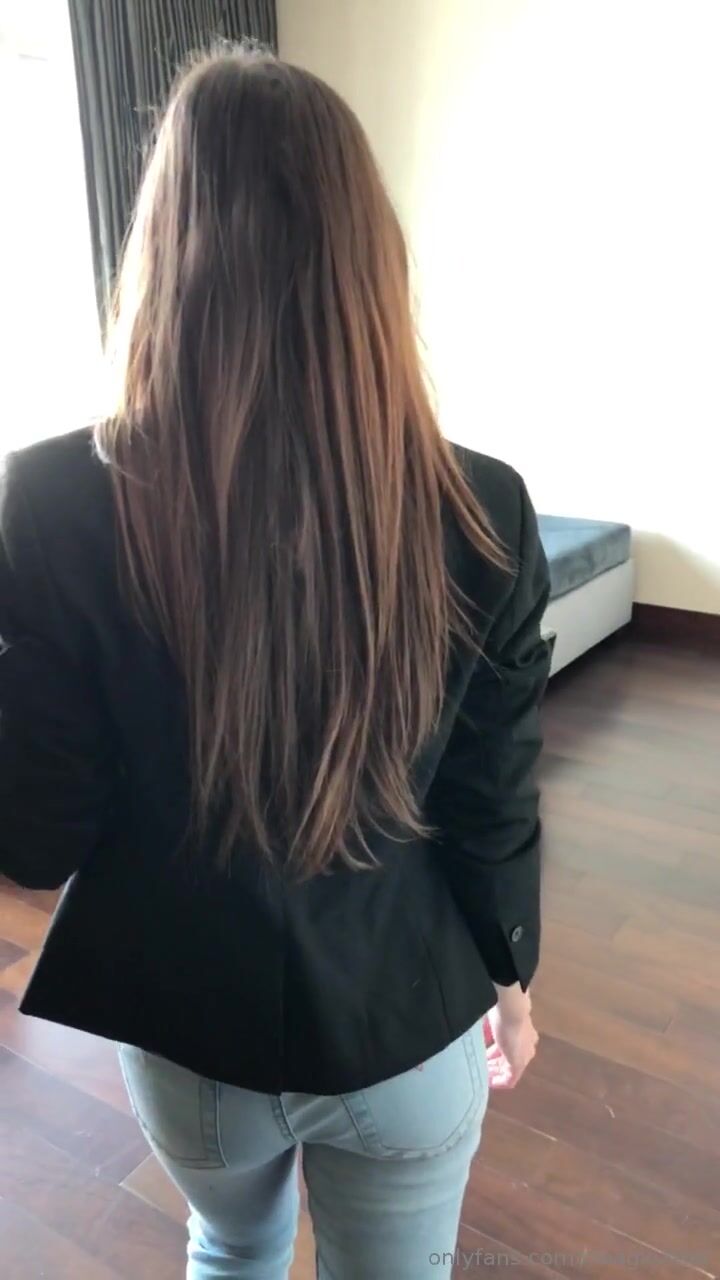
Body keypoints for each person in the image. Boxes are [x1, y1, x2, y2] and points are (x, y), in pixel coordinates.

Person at [0, 46, 549, 1280]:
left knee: (229, 1243)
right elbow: (491, 803)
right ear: (367, 258)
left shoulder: (52, 497)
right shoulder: (485, 507)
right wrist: (510, 980)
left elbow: (36, 836)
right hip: (405, 1024)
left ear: (164, 250)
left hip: (185, 1031)